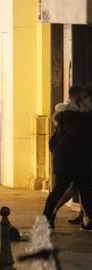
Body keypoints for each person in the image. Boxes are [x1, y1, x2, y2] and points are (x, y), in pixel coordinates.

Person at [43, 89, 92, 229]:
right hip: (68, 161)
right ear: (77, 99)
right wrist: (85, 114)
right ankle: (47, 216)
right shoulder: (69, 115)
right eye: (84, 98)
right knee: (61, 188)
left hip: (77, 160)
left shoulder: (73, 115)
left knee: (85, 189)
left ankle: (87, 220)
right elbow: (80, 132)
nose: (87, 101)